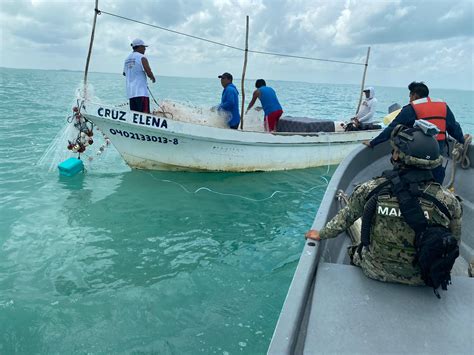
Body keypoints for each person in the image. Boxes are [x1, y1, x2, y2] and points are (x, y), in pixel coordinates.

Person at [306, 123, 462, 291]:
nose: (393, 155)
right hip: (423, 277)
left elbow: (346, 217)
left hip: (375, 270)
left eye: (395, 151)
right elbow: (455, 239)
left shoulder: (372, 188)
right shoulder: (449, 201)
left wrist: (321, 234)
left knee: (354, 249)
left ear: (400, 157)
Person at [364, 81, 465, 184]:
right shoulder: (443, 106)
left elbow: (392, 128)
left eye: (410, 96)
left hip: (418, 152)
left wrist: (373, 142)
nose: (410, 100)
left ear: (415, 95)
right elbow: (454, 127)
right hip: (437, 150)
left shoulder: (411, 108)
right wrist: (462, 140)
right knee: (436, 174)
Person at [123, 38, 156, 113]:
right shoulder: (142, 57)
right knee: (144, 116)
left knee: (135, 116)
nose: (145, 49)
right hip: (141, 93)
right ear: (139, 47)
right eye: (144, 47)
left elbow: (124, 73)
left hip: (131, 94)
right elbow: (148, 71)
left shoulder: (127, 59)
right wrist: (153, 78)